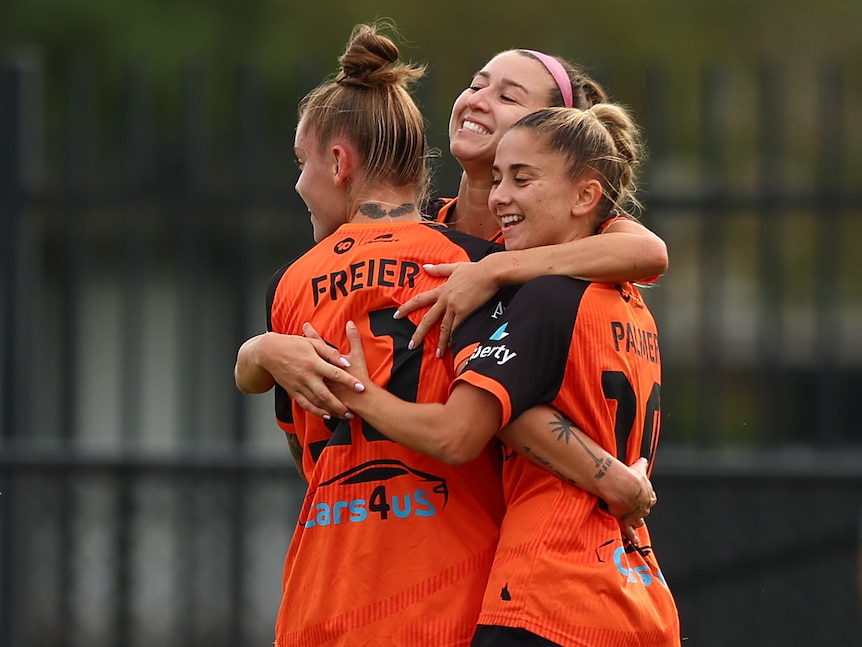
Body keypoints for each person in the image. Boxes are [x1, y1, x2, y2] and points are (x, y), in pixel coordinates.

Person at [236, 23, 653, 646]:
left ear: (559, 140)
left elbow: (650, 251)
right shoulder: (440, 243)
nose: (479, 98)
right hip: (450, 582)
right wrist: (262, 349)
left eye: (510, 96)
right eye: (476, 82)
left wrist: (498, 267)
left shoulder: (561, 260)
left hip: (497, 583)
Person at [326, 105, 681, 646]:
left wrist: (360, 392)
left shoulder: (542, 297)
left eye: (522, 178)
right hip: (637, 594)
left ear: (586, 197)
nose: (499, 197)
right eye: (497, 179)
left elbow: (457, 433)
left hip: (549, 592)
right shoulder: (632, 305)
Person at [247, 23, 506, 646]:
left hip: (327, 596)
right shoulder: (478, 267)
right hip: (450, 595)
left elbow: (305, 455)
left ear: (339, 162)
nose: (299, 183)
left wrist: (256, 353)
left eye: (301, 162)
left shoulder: (292, 285)